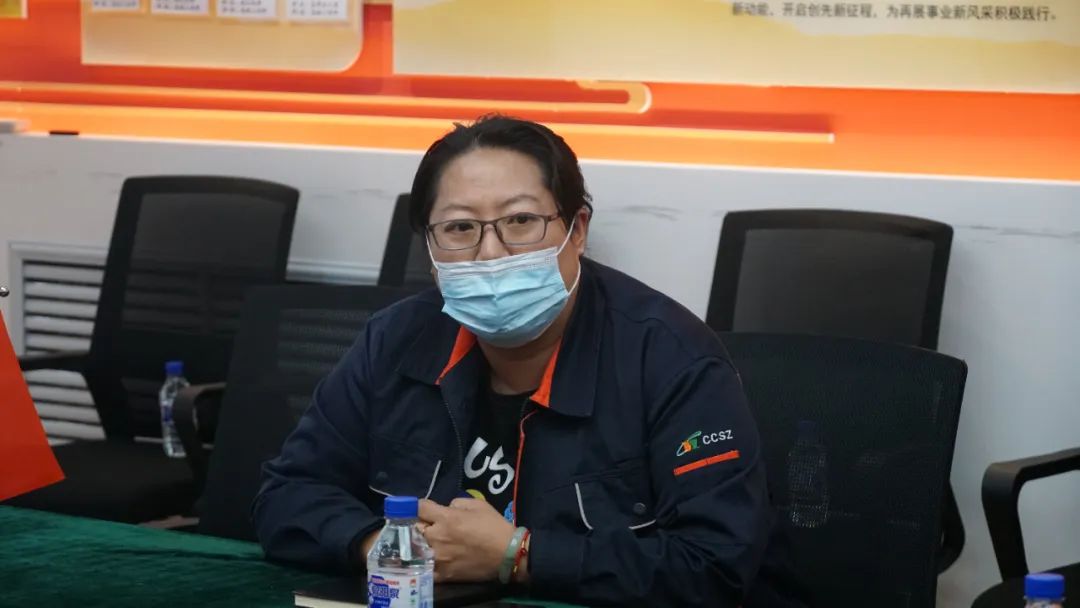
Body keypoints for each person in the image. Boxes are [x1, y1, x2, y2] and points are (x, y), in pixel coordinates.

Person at [253, 115, 802, 607]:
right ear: (430, 249)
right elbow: (288, 495)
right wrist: (389, 547)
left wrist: (518, 555)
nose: (491, 252)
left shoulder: (671, 358)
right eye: (460, 228)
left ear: (576, 230)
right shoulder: (395, 339)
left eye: (520, 221)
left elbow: (714, 567)